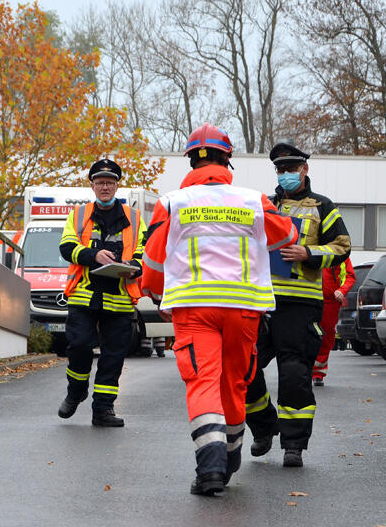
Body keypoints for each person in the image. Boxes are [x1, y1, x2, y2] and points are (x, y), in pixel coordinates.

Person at [140, 123, 298, 496]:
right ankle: (230, 457)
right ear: (228, 160)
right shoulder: (253, 200)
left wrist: (159, 295)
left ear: (192, 160)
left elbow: (154, 261)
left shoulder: (173, 202)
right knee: (234, 382)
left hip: (194, 307)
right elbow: (288, 236)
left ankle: (210, 468)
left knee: (203, 381)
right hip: (244, 308)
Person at [245, 141, 351, 468]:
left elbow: (343, 246)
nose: (286, 174)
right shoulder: (264, 204)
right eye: (281, 169)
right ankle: (264, 427)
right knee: (243, 369)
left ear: (305, 169)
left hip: (301, 304)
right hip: (261, 301)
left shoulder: (323, 206)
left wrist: (309, 253)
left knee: (293, 374)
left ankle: (294, 445)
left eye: (292, 168)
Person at [57, 159, 146, 427]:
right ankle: (76, 392)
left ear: (117, 185)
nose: (104, 187)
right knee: (80, 347)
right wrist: (94, 254)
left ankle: (103, 410)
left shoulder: (134, 217)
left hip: (119, 299)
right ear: (93, 186)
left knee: (113, 358)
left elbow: (144, 252)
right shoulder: (79, 214)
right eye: (100, 183)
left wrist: (133, 267)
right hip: (84, 296)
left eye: (109, 182)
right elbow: (66, 247)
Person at [313, 259, 355, 385]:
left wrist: (342, 290)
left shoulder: (340, 254)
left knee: (326, 336)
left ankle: (318, 372)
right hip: (308, 298)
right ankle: (301, 369)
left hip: (330, 301)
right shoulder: (309, 246)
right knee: (303, 334)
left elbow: (349, 276)